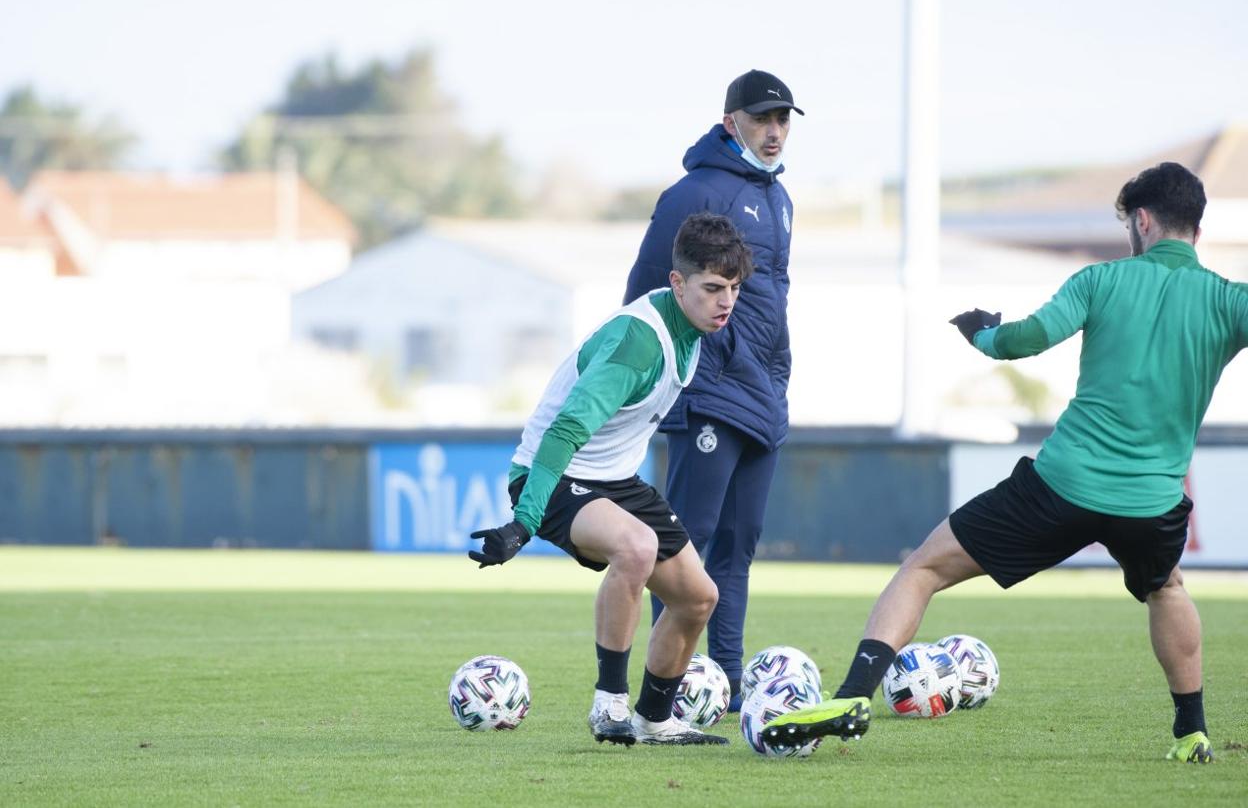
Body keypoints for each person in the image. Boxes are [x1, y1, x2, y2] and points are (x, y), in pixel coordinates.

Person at [763, 162, 1241, 763]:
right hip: (1150, 503)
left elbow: (1026, 339)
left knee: (923, 569)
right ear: (1196, 228)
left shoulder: (1101, 281)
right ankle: (1191, 732)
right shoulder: (1230, 301)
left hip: (1061, 486)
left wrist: (983, 333)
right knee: (1167, 589)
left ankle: (854, 694)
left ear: (1142, 221)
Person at [469, 213, 754, 746]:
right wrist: (522, 523)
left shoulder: (692, 328)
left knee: (698, 598)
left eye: (734, 289)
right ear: (677, 283)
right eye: (713, 287)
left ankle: (654, 719)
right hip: (551, 474)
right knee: (637, 546)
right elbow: (563, 433)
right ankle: (609, 706)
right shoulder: (639, 342)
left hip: (614, 479)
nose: (726, 301)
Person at [622, 70, 803, 710]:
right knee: (681, 549)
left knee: (737, 550)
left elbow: (769, 302)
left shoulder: (779, 200)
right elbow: (645, 290)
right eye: (762, 119)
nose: (775, 130)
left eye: (783, 119)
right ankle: (664, 691)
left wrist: (778, 377)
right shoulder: (695, 192)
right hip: (708, 392)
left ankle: (722, 686)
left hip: (763, 397)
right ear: (733, 123)